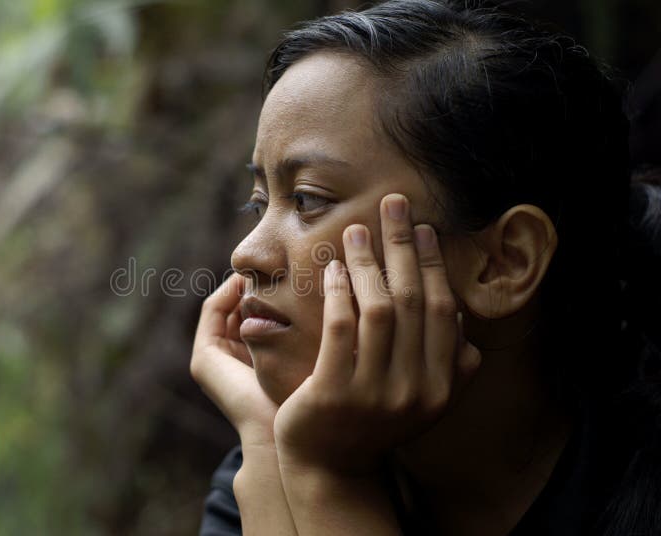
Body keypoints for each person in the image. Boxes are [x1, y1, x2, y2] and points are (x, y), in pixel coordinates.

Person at [189, 1, 661, 534]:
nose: (246, 255)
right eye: (258, 204)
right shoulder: (266, 470)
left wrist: (327, 484)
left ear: (504, 261)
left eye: (307, 199)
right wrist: (269, 440)